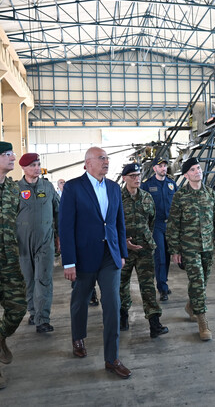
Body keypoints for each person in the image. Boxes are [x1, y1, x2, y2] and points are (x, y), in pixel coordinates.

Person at [59, 146, 131, 379]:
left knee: (112, 304)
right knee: (80, 301)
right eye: (101, 158)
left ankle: (112, 358)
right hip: (83, 256)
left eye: (107, 158)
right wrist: (69, 261)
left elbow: (118, 223)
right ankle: (78, 337)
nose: (106, 162)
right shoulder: (73, 187)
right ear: (88, 162)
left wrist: (121, 252)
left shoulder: (113, 188)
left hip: (109, 256)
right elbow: (66, 227)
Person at [166, 157, 215, 341]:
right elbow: (173, 224)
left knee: (203, 281)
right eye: (192, 169)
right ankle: (202, 321)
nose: (197, 171)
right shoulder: (180, 196)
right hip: (189, 247)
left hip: (207, 246)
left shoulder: (209, 193)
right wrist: (175, 249)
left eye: (198, 168)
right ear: (186, 175)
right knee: (198, 282)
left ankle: (191, 305)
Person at [0, 141, 27, 390]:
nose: (13, 157)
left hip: (10, 260)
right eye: (7, 154)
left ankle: (1, 336)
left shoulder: (13, 189)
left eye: (12, 153)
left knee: (18, 308)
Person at [120, 163, 169, 338]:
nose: (137, 178)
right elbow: (110, 224)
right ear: (124, 178)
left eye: (139, 175)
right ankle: (122, 317)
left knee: (148, 287)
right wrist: (122, 242)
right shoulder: (117, 197)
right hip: (123, 250)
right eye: (132, 175)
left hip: (145, 249)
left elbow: (152, 222)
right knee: (121, 285)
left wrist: (144, 239)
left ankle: (154, 324)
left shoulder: (147, 197)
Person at [17, 153, 60, 333]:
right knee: (28, 280)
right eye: (33, 165)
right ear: (24, 168)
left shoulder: (48, 187)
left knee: (43, 279)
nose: (37, 168)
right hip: (22, 243)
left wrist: (60, 237)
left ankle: (43, 319)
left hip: (45, 241)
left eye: (38, 164)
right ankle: (33, 313)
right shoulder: (16, 189)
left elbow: (59, 212)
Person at [141, 157, 177, 301]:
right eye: (160, 166)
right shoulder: (147, 185)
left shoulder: (172, 184)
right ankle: (162, 288)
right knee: (160, 256)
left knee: (168, 256)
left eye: (165, 166)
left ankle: (164, 283)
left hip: (170, 225)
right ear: (154, 168)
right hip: (156, 225)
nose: (163, 168)